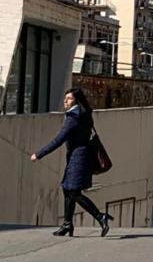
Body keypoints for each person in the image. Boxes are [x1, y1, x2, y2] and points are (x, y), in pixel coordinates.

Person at [31, 87, 113, 237]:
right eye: (65, 98)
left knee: (74, 192)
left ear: (76, 101)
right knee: (67, 189)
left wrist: (39, 154)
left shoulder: (73, 118)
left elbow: (59, 140)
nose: (65, 101)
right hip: (81, 156)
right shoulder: (84, 114)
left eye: (69, 98)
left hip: (78, 158)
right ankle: (67, 224)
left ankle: (100, 217)